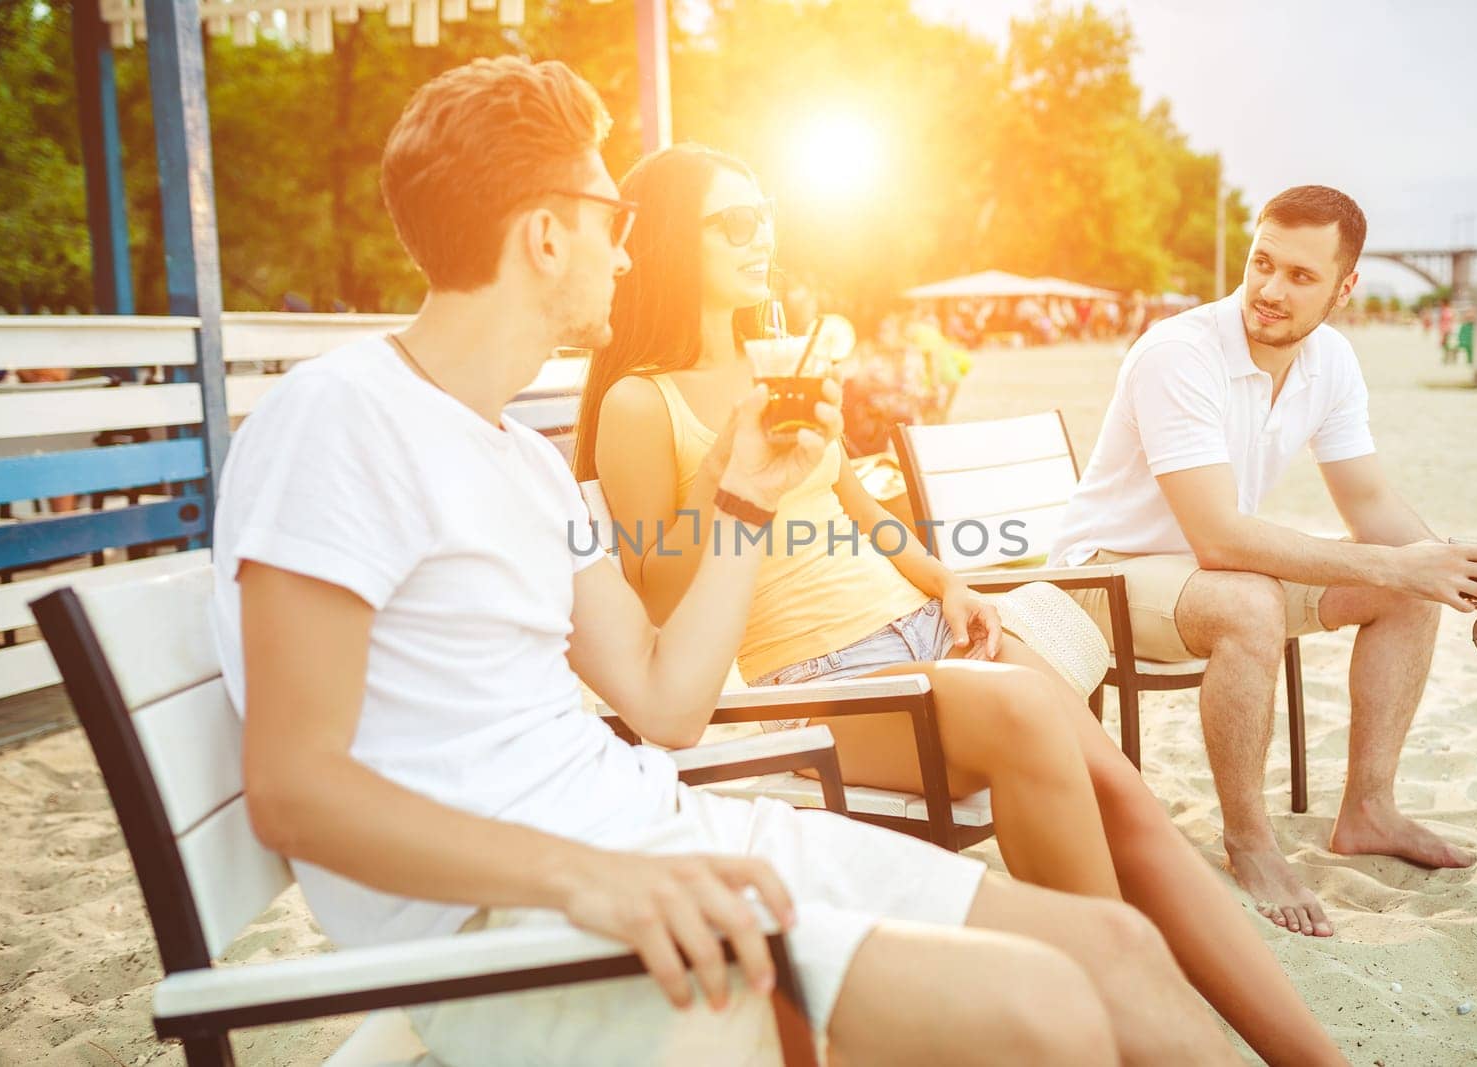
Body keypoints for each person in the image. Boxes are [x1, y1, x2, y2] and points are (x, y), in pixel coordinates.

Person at [213, 56, 1250, 1066]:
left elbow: (666, 703)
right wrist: (588, 877)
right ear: (540, 235)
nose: (626, 255)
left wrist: (743, 498)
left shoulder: (521, 463)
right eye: (610, 224)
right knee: (1048, 1009)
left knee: (1116, 949)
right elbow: (297, 788)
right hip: (515, 928)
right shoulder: (341, 416)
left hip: (655, 831)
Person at [575, 144, 1343, 1066]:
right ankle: (1130, 1019)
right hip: (822, 680)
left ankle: (1314, 1058)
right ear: (667, 242)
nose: (761, 236)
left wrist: (951, 584)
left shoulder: (771, 362)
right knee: (1027, 710)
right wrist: (724, 468)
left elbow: (862, 512)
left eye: (766, 213)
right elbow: (660, 591)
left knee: (1125, 797)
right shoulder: (638, 403)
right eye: (732, 222)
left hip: (924, 632)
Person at [1048, 185, 1477, 939]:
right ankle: (1250, 842)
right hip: (1103, 575)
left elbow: (1369, 501)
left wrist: (1462, 574)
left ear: (1345, 288)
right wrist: (1398, 563)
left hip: (1212, 576)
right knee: (1255, 599)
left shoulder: (1331, 360)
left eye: (1301, 277)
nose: (1270, 291)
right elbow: (1216, 535)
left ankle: (1369, 810)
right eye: (1262, 264)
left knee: (1402, 586)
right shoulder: (1179, 353)